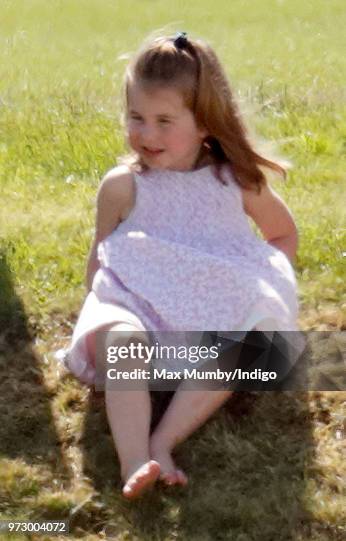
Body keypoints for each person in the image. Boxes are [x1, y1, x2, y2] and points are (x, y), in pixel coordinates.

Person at [63, 31, 300, 499]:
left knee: (245, 345)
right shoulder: (122, 187)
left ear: (206, 123)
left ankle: (162, 441)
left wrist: (268, 283)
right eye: (136, 118)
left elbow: (283, 234)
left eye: (164, 120)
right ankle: (135, 461)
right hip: (142, 315)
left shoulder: (234, 181)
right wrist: (107, 313)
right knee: (121, 337)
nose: (146, 134)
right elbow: (100, 264)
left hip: (211, 313)